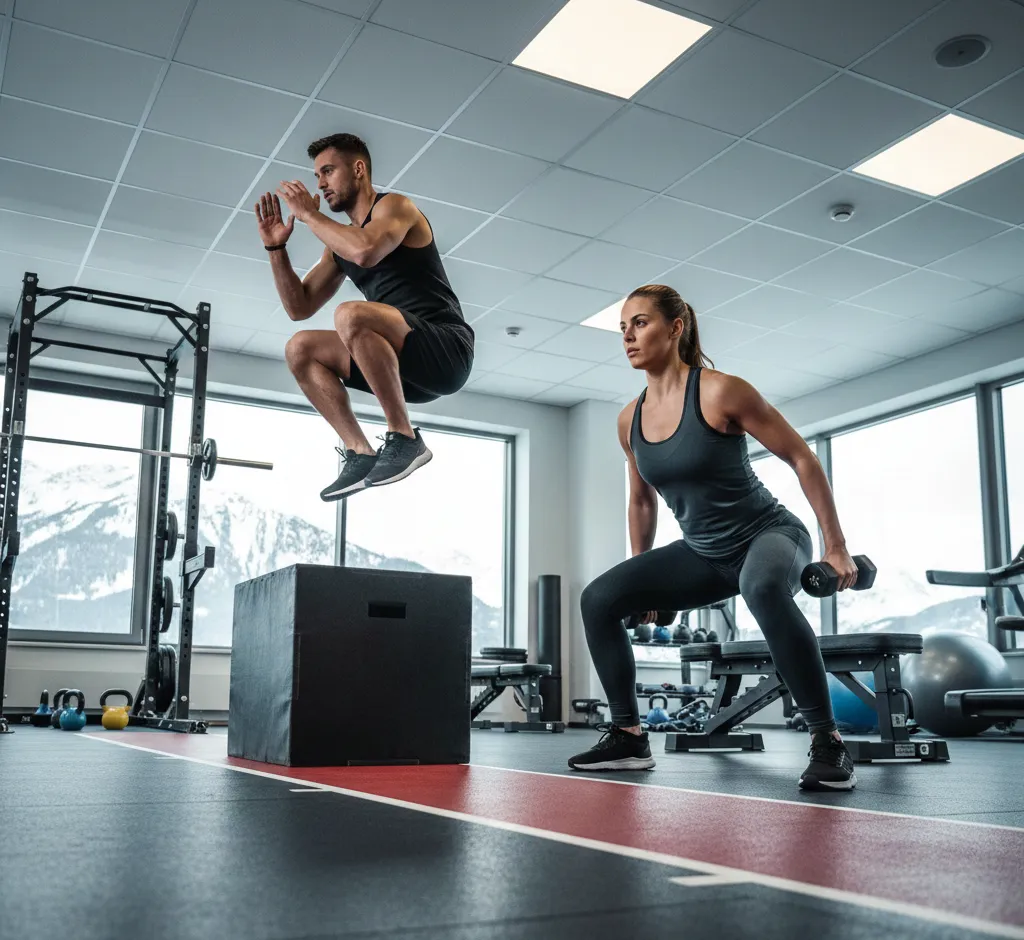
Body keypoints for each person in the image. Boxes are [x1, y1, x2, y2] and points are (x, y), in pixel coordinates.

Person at [568, 284, 860, 791]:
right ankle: (629, 736)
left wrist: (835, 546)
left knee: (761, 587)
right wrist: (643, 583)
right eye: (623, 328)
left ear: (675, 328)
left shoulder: (722, 391)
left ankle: (828, 740)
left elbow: (801, 457)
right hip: (703, 553)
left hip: (769, 534)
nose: (628, 336)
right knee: (599, 599)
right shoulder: (628, 419)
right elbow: (641, 501)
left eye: (640, 323)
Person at [255, 133, 474, 500]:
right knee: (300, 348)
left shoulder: (395, 207)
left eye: (328, 171)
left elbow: (366, 251)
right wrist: (275, 247)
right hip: (403, 372)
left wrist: (309, 215)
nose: (320, 184)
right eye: (317, 176)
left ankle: (403, 437)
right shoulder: (339, 245)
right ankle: (359, 452)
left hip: (446, 351)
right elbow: (299, 307)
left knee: (350, 314)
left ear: (358, 169)